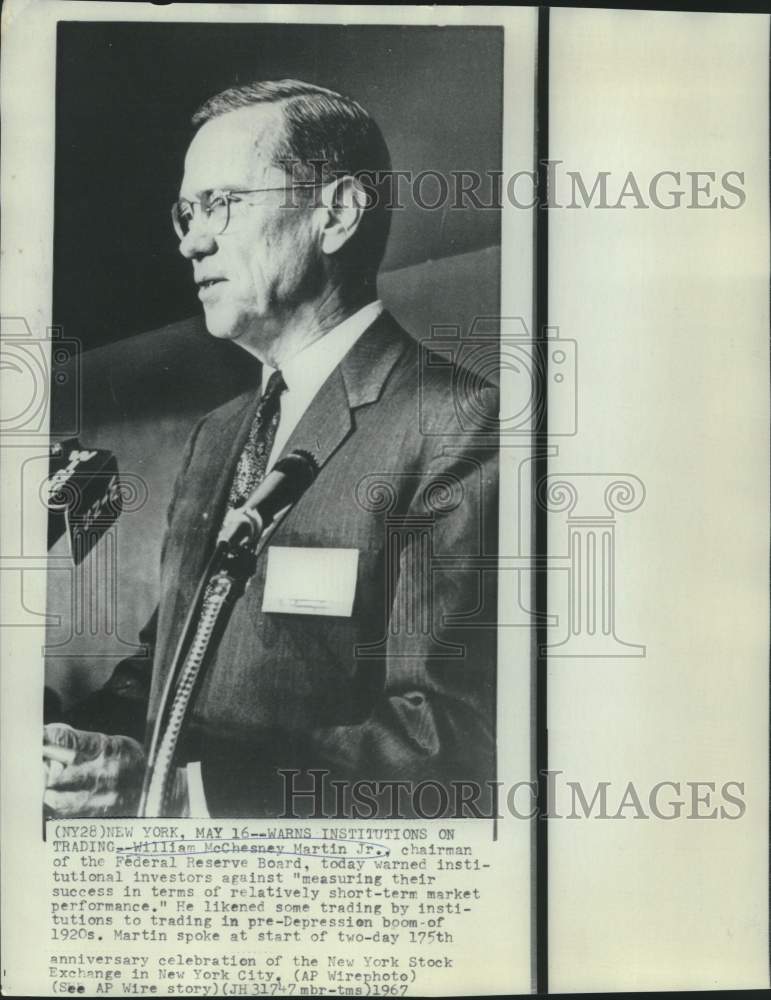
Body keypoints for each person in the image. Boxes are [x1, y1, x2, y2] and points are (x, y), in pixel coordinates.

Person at [43, 79, 499, 819]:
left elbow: (445, 743)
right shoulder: (219, 433)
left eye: (221, 203)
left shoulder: (457, 422)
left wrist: (180, 792)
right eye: (186, 213)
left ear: (337, 213)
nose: (191, 239)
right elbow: (164, 668)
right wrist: (68, 745)